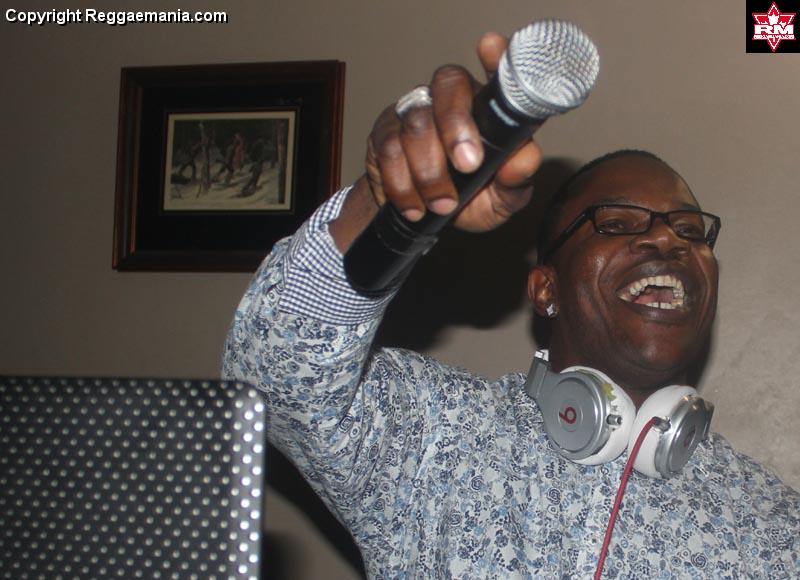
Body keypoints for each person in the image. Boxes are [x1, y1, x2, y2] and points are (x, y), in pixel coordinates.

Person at [222, 32, 799, 578]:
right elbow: (275, 377)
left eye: (690, 231)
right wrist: (385, 202)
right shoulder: (435, 432)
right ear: (545, 289)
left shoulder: (776, 531)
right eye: (618, 223)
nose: (668, 241)